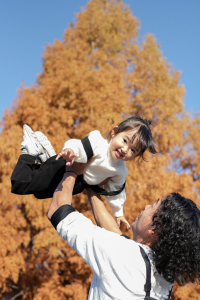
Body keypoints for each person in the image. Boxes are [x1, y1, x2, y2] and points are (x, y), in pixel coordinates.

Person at [47, 161, 200, 300]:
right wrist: (90, 184)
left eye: (153, 206)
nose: (146, 207)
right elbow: (116, 237)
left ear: (155, 230)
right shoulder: (164, 278)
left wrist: (72, 171)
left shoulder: (121, 253)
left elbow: (57, 210)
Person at [11, 116, 157, 228]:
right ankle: (29, 151)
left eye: (133, 150)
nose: (125, 150)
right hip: (67, 165)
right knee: (20, 183)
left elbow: (117, 192)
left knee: (40, 192)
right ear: (114, 132)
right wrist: (70, 151)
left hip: (78, 184)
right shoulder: (98, 144)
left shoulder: (120, 170)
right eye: (125, 141)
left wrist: (118, 214)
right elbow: (77, 145)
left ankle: (48, 156)